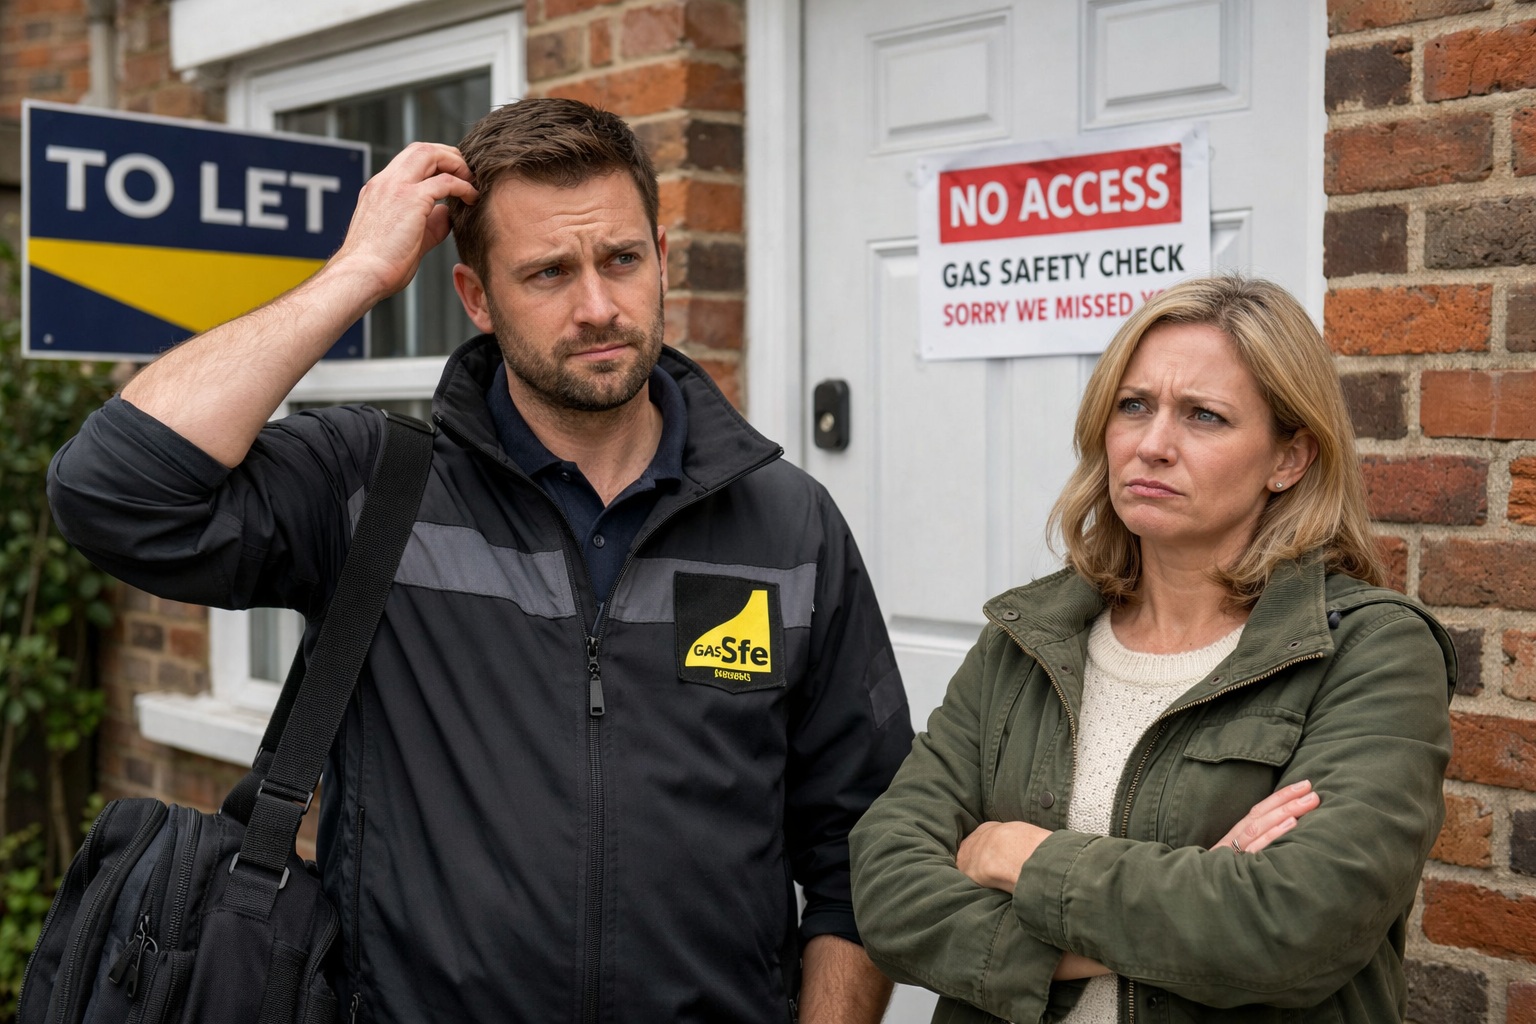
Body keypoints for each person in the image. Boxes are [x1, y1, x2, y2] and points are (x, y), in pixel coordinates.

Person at [47, 98, 913, 1023]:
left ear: (661, 254)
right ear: (475, 296)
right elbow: (114, 492)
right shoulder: (372, 489)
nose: (597, 305)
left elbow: (860, 848)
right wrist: (354, 275)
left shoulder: (786, 522)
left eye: (622, 259)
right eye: (547, 272)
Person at [848, 275, 1454, 1024]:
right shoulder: (1030, 636)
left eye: (1204, 416)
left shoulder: (1367, 652)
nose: (1153, 445)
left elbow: (1294, 925)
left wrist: (1019, 856)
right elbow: (885, 889)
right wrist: (1181, 905)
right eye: (1134, 406)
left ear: (1288, 459)